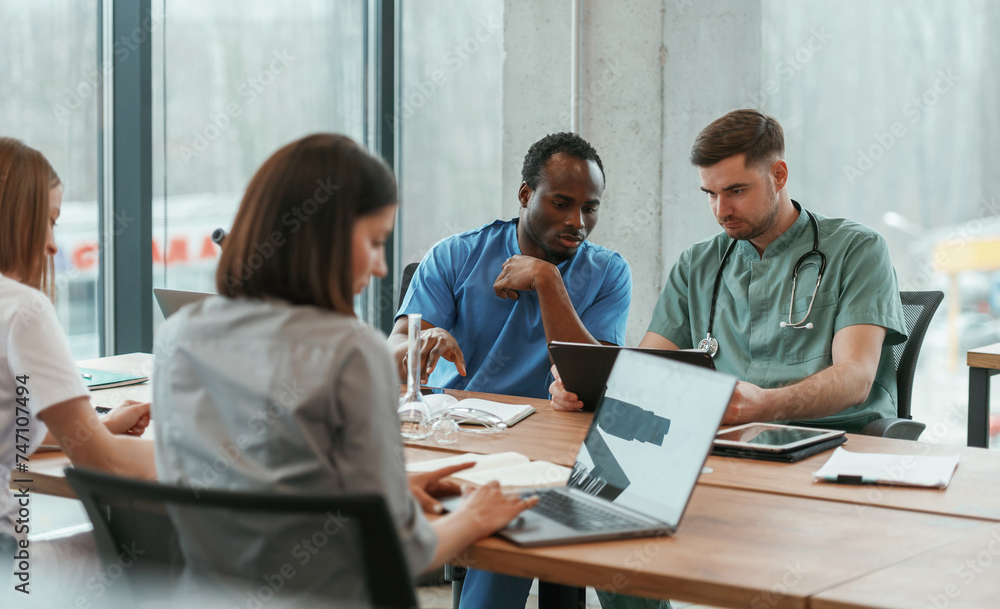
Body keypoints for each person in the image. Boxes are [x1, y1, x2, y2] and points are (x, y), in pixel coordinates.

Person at [151, 133, 537, 602]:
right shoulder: (352, 353)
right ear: (325, 237)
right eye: (375, 242)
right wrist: (474, 515)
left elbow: (251, 486)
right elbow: (404, 550)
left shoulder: (180, 334)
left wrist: (385, 489)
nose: (380, 267)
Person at [552, 109, 907, 436]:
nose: (722, 211)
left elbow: (856, 378)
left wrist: (765, 405)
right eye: (710, 194)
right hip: (725, 443)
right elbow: (649, 370)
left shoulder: (857, 250)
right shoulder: (697, 263)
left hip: (832, 442)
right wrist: (588, 388)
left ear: (778, 176)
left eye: (736, 191)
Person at [389, 132, 632, 609]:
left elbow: (597, 382)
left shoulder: (608, 272)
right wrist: (419, 345)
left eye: (590, 208)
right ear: (525, 195)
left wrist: (547, 281)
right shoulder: (456, 255)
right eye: (561, 203)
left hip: (553, 450)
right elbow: (394, 347)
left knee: (515, 524)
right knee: (504, 529)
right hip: (459, 439)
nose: (577, 222)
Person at [0, 138, 154, 603]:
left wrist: (92, 427)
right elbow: (101, 463)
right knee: (149, 551)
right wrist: (205, 458)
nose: (51, 245)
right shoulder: (23, 309)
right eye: (49, 222)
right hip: (10, 569)